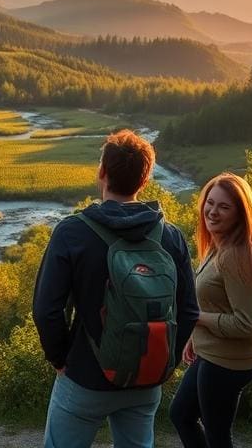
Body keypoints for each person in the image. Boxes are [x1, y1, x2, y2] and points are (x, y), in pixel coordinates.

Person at [33, 129, 200, 448]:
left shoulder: (72, 232)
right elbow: (189, 311)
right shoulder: (171, 237)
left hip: (85, 377)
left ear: (102, 172)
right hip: (146, 380)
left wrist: (59, 358)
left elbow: (46, 310)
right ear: (145, 179)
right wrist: (163, 361)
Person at [169, 172, 252, 448]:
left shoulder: (235, 257)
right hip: (215, 352)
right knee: (181, 414)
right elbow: (216, 301)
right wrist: (195, 337)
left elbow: (246, 324)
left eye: (224, 207)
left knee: (217, 435)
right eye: (210, 202)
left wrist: (196, 319)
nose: (212, 212)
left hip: (228, 361)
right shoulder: (218, 244)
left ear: (240, 215)